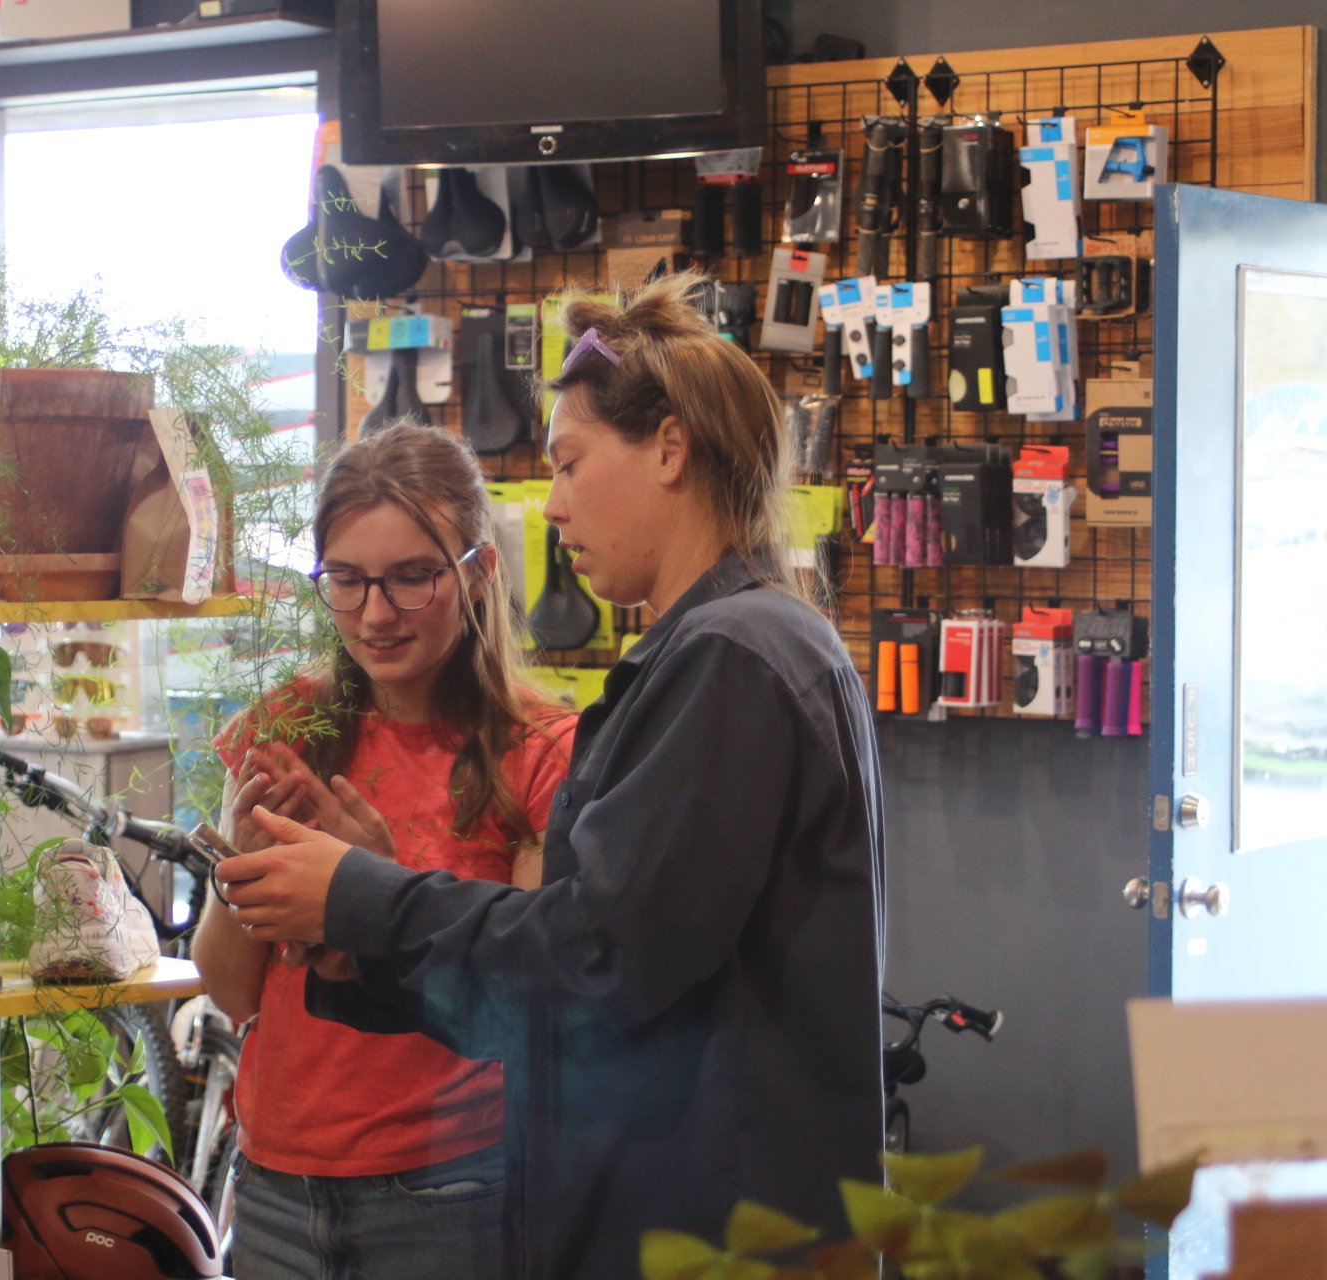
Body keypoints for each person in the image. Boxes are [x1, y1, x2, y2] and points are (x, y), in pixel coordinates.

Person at [216, 273, 887, 1280]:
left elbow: (597, 961)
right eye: (348, 580)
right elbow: (583, 977)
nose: (558, 505)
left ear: (669, 447)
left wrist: (370, 897)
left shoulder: (733, 658)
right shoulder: (717, 649)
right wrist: (369, 927)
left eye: (570, 463)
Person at [192, 422, 578, 1280]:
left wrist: (375, 893)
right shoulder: (286, 727)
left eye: (410, 579)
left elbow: (531, 1009)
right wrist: (238, 881)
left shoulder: (540, 749)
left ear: (476, 573)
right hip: (276, 1186)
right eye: (348, 581)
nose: (375, 614)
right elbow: (229, 990)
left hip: (451, 1195)